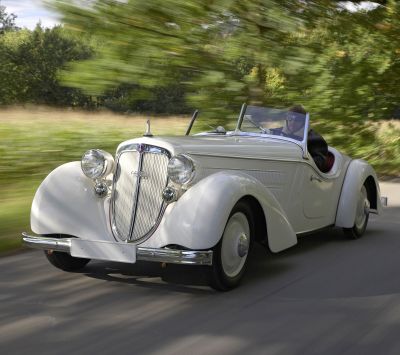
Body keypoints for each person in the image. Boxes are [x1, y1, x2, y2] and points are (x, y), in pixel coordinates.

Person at [274, 105, 330, 172]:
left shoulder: (315, 139)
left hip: (300, 173)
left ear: (304, 122)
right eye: (290, 118)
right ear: (287, 119)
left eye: (298, 119)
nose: (293, 122)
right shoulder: (276, 132)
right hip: (278, 168)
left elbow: (320, 163)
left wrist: (297, 158)